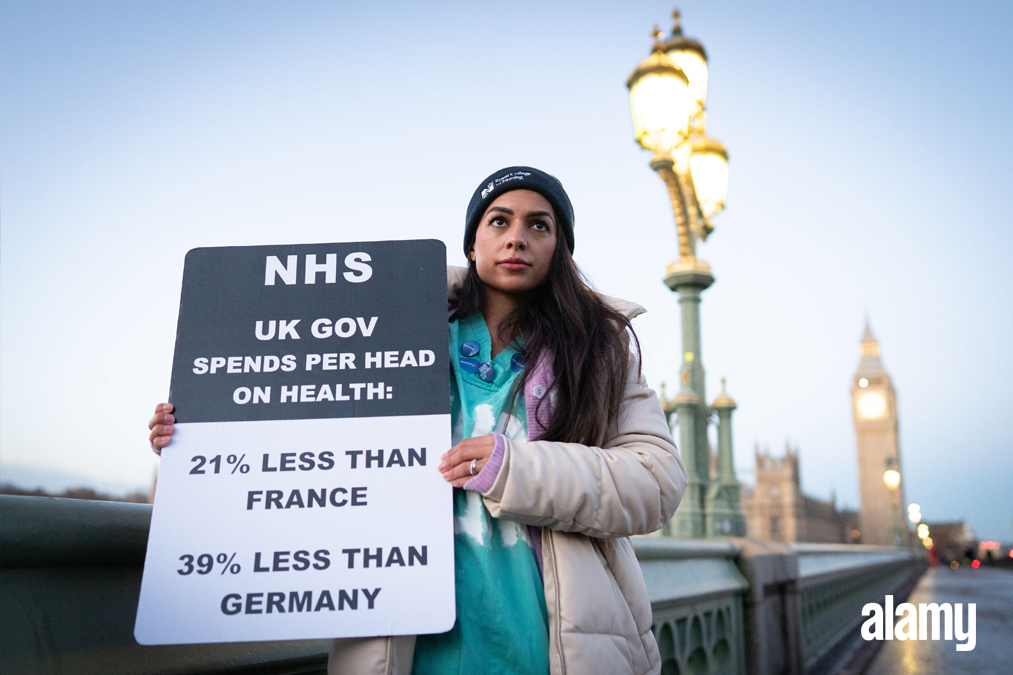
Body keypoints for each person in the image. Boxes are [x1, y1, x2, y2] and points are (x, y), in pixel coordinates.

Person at [148, 166, 687, 675]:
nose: (516, 237)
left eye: (538, 225)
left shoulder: (601, 350)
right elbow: (302, 445)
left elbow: (657, 481)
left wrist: (516, 469)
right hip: (403, 645)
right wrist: (201, 437)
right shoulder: (383, 331)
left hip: (557, 647)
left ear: (560, 249)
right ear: (472, 243)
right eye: (498, 220)